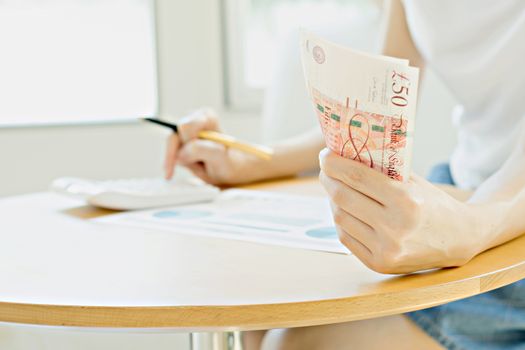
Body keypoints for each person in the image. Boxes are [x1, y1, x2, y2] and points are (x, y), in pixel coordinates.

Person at [164, 0, 525, 348]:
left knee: (297, 344)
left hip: (504, 226)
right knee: (257, 323)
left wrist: (470, 228)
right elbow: (374, 118)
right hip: (463, 193)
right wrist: (251, 161)